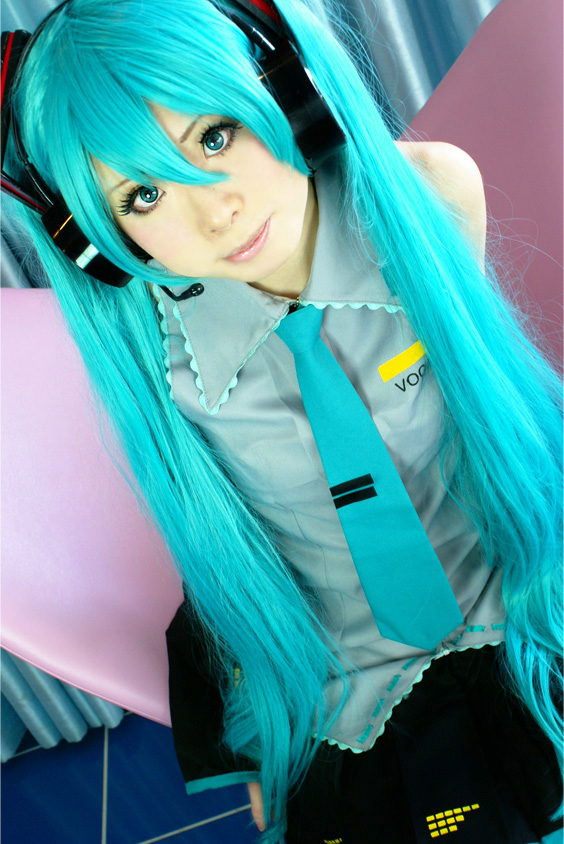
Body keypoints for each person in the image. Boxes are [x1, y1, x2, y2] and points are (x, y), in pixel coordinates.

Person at [2, 0, 562, 841]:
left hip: (515, 585)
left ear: (288, 88)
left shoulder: (429, 197)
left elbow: (490, 410)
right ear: (94, 237)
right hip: (342, 666)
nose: (213, 210)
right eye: (144, 194)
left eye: (215, 136)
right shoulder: (154, 354)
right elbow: (232, 546)